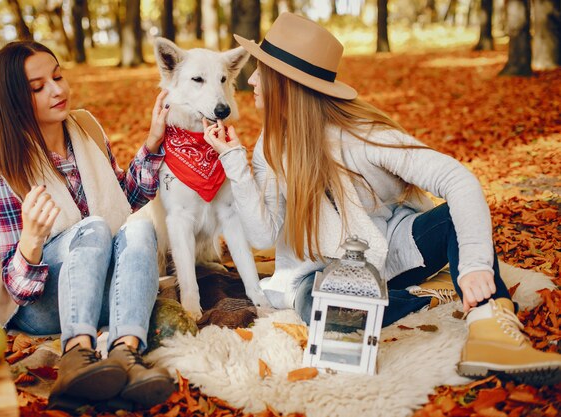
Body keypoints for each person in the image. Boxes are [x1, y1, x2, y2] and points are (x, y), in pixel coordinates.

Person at [202, 12, 561, 385]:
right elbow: (262, 236)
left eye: (262, 69)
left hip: (391, 254)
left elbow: (458, 178)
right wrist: (234, 162)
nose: (253, 79)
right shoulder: (270, 145)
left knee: (456, 219)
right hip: (319, 274)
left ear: (286, 83)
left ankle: (492, 334)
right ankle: (421, 300)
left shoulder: (364, 136)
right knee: (321, 307)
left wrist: (473, 266)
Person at [0, 41, 175, 406]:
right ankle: (76, 355)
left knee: (141, 228)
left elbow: (125, 201)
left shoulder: (85, 129)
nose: (57, 89)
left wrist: (153, 139)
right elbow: (17, 290)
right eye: (38, 87)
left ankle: (125, 353)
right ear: (14, 99)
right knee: (94, 228)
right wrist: (31, 241)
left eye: (58, 76)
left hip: (103, 287)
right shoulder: (2, 175)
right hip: (44, 305)